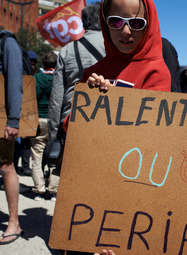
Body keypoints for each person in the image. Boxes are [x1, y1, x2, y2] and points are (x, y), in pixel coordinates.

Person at [61, 0, 170, 254]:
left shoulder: (157, 71)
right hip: (91, 195)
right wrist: (91, 105)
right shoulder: (92, 73)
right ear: (104, 22)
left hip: (134, 197)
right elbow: (72, 130)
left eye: (136, 23)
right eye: (116, 22)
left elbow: (158, 139)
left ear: (149, 24)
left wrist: (117, 107)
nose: (126, 31)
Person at [48, 2, 105, 144]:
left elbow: (56, 98)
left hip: (72, 122)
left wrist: (54, 134)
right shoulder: (117, 49)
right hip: (107, 121)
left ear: (83, 22)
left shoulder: (67, 50)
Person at [0, 29, 23, 244]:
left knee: (6, 166)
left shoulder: (6, 42)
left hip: (2, 119)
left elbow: (15, 78)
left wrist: (13, 120)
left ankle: (14, 222)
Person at [30, 51, 59, 201]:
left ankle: (39, 190)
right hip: (54, 120)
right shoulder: (59, 79)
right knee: (54, 156)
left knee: (37, 156)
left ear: (43, 64)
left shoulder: (36, 79)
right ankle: (53, 190)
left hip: (37, 121)